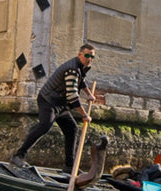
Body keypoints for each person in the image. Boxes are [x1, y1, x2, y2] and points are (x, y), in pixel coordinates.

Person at [10, 44, 96, 173]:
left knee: (72, 128)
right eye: (87, 55)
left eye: (92, 57)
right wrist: (84, 115)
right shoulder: (72, 69)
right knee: (45, 125)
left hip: (60, 103)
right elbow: (72, 96)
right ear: (80, 55)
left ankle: (69, 166)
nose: (89, 59)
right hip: (48, 100)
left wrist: (89, 94)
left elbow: (80, 80)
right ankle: (18, 156)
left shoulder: (80, 67)